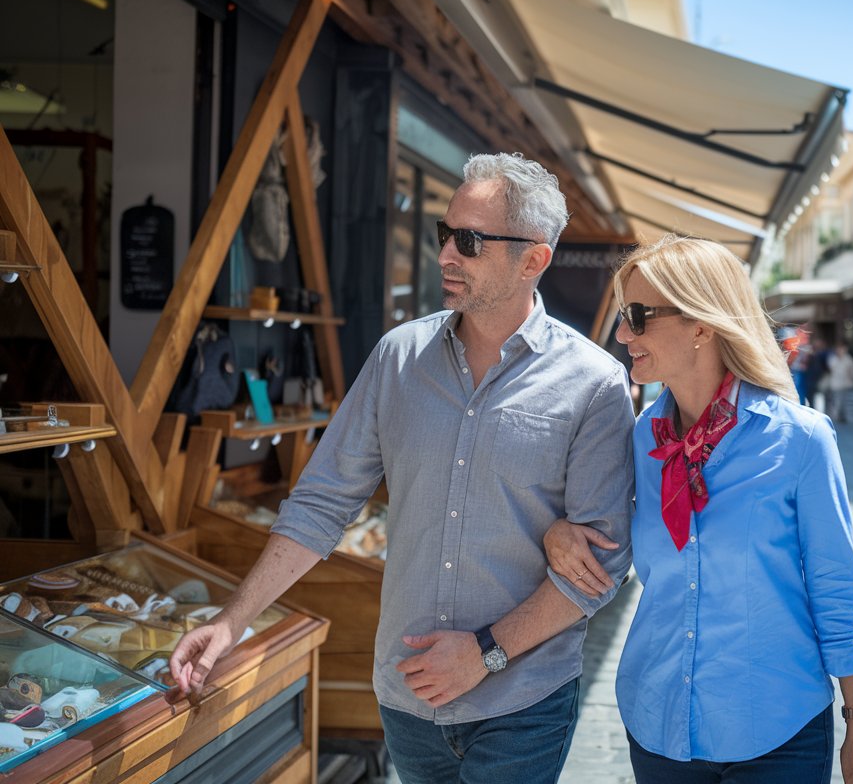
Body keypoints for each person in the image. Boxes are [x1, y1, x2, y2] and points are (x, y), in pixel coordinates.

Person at [167, 153, 636, 783]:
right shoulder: (398, 357)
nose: (445, 255)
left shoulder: (594, 384)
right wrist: (231, 621)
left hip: (521, 702)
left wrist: (485, 655)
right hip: (407, 697)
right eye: (445, 236)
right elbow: (321, 503)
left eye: (469, 242)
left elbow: (601, 567)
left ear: (534, 260)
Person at [545, 236, 853, 783]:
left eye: (637, 316)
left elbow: (838, 588)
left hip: (779, 729)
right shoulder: (637, 441)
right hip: (659, 723)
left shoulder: (800, 441)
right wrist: (558, 532)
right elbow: (603, 538)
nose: (622, 334)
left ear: (701, 324)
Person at [825, 343, 853, 422]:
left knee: (843, 400)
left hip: (845, 383)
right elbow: (830, 368)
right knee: (837, 400)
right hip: (835, 383)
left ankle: (841, 415)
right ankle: (838, 415)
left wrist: (852, 378)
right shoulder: (833, 358)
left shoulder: (849, 359)